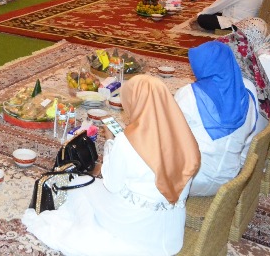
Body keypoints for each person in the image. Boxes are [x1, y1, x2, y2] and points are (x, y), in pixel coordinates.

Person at [22, 75, 201, 256]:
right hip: (171, 234)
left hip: (136, 226)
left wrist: (110, 142)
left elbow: (112, 184)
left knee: (78, 185)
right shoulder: (185, 137)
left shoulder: (127, 141)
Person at [175, 41, 262, 196]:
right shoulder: (248, 96)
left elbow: (170, 136)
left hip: (190, 179)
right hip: (230, 179)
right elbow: (249, 140)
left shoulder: (189, 94)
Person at [216, 18, 270, 119]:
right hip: (266, 115)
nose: (235, 37)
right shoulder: (266, 51)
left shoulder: (263, 60)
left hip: (259, 119)